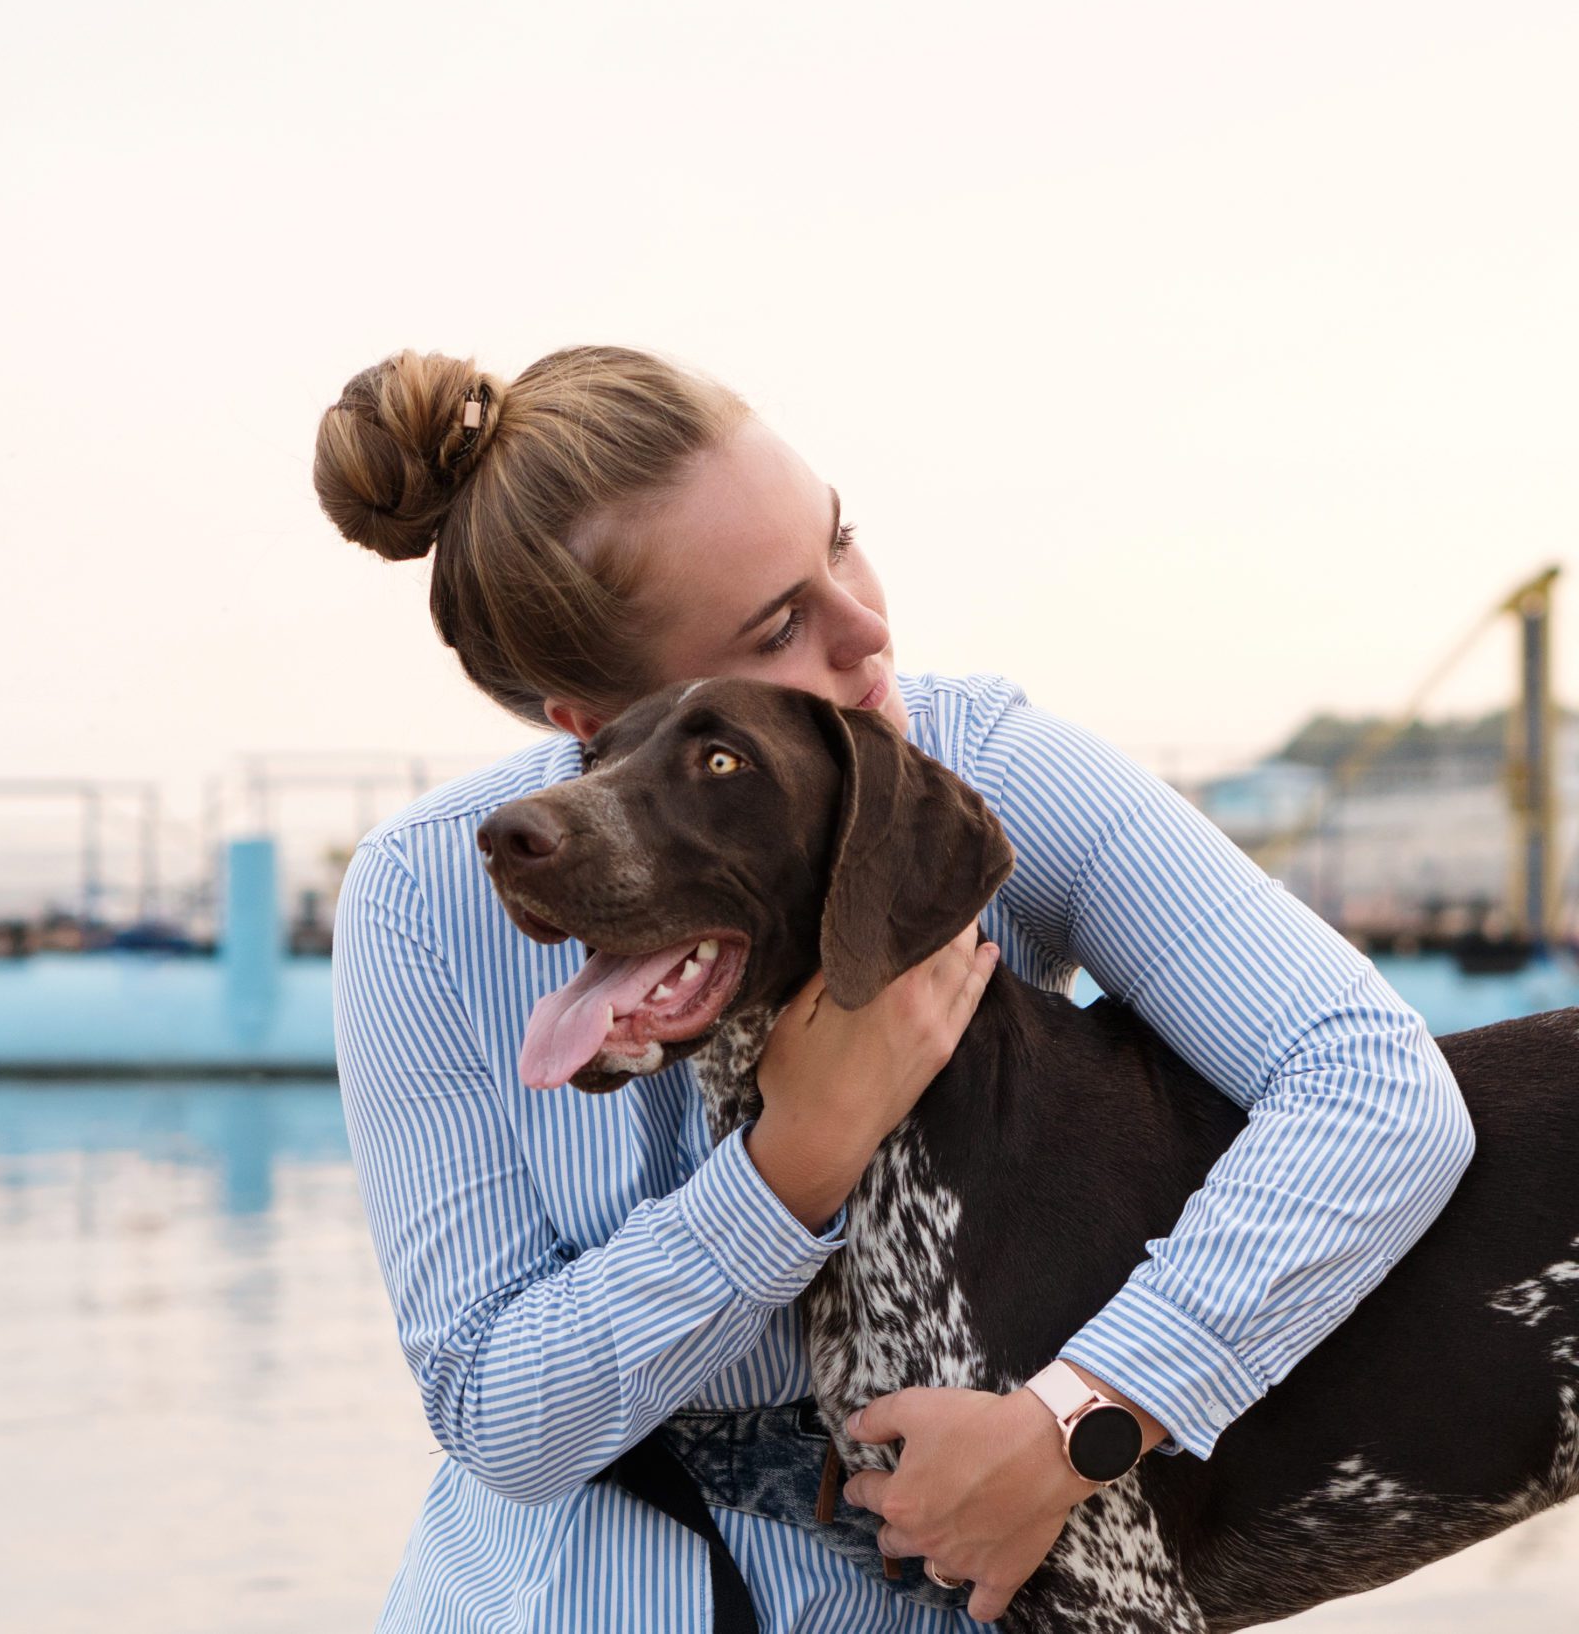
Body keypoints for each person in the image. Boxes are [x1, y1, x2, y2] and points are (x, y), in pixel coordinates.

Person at [312, 346, 1475, 1633]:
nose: (866, 629)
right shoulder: (424, 896)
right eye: (776, 629)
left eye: (840, 545)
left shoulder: (978, 764)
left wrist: (1076, 1421)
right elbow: (496, 1414)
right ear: (605, 723)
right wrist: (791, 1160)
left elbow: (1372, 1085)